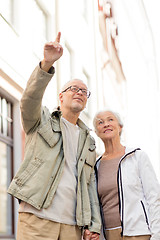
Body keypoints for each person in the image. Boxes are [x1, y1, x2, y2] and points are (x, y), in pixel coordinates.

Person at [7, 32, 101, 240]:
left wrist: (93, 223)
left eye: (84, 92)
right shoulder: (42, 122)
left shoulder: (89, 142)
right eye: (74, 89)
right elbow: (29, 99)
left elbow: (89, 184)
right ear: (61, 96)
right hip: (37, 219)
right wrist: (46, 64)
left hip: (72, 226)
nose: (79, 93)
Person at [93, 110, 160, 240]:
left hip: (138, 233)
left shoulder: (137, 156)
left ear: (120, 127)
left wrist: (157, 234)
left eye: (110, 120)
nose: (106, 124)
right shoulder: (96, 166)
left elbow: (154, 197)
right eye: (100, 122)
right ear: (96, 132)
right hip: (108, 235)